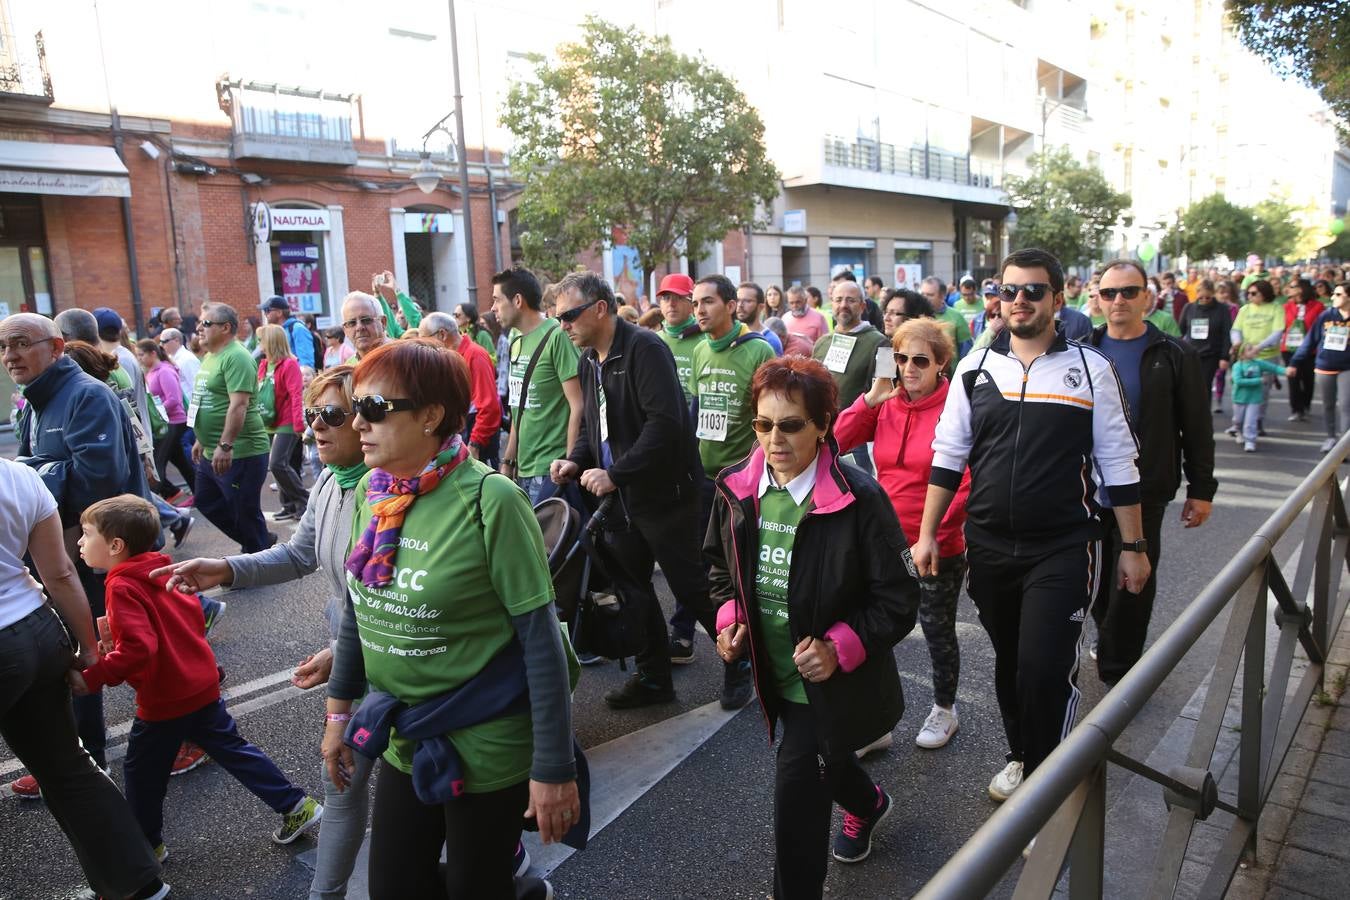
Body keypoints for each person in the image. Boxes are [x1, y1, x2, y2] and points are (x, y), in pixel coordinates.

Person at [323, 340, 574, 900]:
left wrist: (554, 769)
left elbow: (541, 643)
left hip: (487, 739)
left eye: (374, 409)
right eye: (355, 407)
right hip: (402, 734)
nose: (357, 423)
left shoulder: (492, 500)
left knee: (475, 889)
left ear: (432, 415)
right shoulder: (373, 489)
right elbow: (356, 609)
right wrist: (338, 717)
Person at [153, 363, 407, 898]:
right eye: (312, 413)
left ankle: (504, 853)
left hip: (399, 662)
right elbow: (299, 553)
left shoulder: (393, 495)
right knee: (340, 783)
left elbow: (405, 602)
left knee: (430, 785)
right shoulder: (330, 484)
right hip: (354, 659)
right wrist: (224, 568)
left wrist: (342, 650)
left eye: (332, 414)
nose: (316, 425)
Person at [915, 248, 1149, 803]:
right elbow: (949, 455)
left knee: (1045, 669)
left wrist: (1134, 546)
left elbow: (1118, 462)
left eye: (1033, 291)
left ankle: (1046, 791)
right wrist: (927, 534)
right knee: (1012, 663)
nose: (1018, 301)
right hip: (989, 546)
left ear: (1058, 299)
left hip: (1064, 546)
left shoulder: (1093, 369)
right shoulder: (975, 367)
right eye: (1008, 290)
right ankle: (1022, 756)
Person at [709, 356, 919, 898]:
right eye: (762, 425)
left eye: (790, 425)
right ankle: (869, 802)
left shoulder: (860, 497)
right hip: (770, 672)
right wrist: (731, 618)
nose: (773, 440)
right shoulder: (737, 486)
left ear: (824, 424)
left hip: (827, 685)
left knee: (796, 809)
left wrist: (837, 646)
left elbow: (899, 598)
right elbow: (718, 567)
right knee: (828, 759)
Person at [70, 495, 323, 862]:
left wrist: (94, 676)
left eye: (86, 533)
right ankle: (296, 804)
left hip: (164, 698)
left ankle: (148, 846)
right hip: (200, 683)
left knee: (141, 773)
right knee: (233, 748)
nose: (79, 541)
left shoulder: (121, 585)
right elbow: (190, 622)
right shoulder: (161, 569)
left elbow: (140, 649)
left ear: (115, 546)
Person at [550, 272, 726, 709]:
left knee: (691, 587)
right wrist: (576, 458)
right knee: (633, 590)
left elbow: (665, 425)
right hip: (622, 500)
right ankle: (653, 678)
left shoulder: (645, 348)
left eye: (569, 316)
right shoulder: (588, 358)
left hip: (665, 495)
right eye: (558, 319)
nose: (563, 326)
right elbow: (595, 425)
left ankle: (742, 663)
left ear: (600, 308)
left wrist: (616, 474)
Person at [0, 457, 170, 900]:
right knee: (67, 767)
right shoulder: (19, 476)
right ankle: (140, 884)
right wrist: (87, 650)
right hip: (38, 630)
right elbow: (58, 574)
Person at [3, 312, 149, 798]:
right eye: (4, 347)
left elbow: (99, 484)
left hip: (101, 552)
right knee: (86, 649)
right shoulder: (33, 402)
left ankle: (192, 727)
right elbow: (34, 473)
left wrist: (35, 475)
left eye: (22, 343)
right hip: (64, 548)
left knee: (118, 645)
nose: (11, 356)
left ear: (57, 347)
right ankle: (81, 756)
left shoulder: (87, 395)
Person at [834, 318, 970, 751]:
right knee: (869, 630)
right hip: (885, 543)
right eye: (900, 358)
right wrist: (870, 400)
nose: (908, 368)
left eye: (919, 361)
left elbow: (964, 483)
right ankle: (876, 725)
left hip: (936, 546)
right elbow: (831, 445)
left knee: (935, 629)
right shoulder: (888, 403)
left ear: (941, 364)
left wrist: (932, 535)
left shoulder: (957, 408)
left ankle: (945, 709)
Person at [1088, 260, 1217, 685]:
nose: (1118, 300)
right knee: (1093, 577)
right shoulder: (1082, 348)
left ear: (1148, 297)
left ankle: (1118, 670)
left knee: (1132, 578)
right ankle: (1108, 637)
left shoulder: (1174, 353)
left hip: (1146, 488)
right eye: (1109, 293)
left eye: (1128, 291)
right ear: (1098, 298)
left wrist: (1202, 489)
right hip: (1086, 487)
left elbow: (1197, 426)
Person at [680, 273, 775, 702]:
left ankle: (746, 666)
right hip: (706, 481)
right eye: (695, 302)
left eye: (708, 302)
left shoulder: (758, 350)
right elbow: (700, 413)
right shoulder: (699, 350)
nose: (699, 309)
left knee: (746, 573)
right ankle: (735, 653)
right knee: (714, 574)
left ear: (732, 306)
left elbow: (769, 419)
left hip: (746, 483)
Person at [188, 303, 275, 554]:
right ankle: (258, 540)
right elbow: (207, 399)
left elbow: (239, 405)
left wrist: (225, 445)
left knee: (243, 509)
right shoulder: (210, 356)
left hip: (240, 451)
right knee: (206, 501)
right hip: (211, 450)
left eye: (206, 324)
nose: (199, 329)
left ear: (225, 328)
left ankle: (256, 557)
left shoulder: (236, 356)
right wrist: (201, 439)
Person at [493, 266, 584, 504]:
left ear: (518, 300)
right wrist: (508, 461)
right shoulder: (515, 343)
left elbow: (579, 405)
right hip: (522, 470)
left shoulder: (557, 335)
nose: (493, 308)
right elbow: (517, 409)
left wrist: (570, 462)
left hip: (551, 471)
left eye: (497, 300)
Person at [420, 312, 503, 465]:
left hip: (476, 443)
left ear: (442, 334)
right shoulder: (450, 357)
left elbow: (489, 407)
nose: (424, 346)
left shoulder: (475, 355)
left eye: (424, 339)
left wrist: (475, 444)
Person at [810, 279, 887, 428]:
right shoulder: (821, 343)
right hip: (823, 429)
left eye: (850, 300)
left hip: (858, 434)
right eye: (838, 300)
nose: (843, 305)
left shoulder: (883, 344)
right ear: (832, 304)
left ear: (862, 306)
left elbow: (886, 392)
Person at [1288, 282, 1350, 453]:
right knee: (1328, 404)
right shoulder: (1326, 316)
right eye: (1334, 294)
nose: (1333, 298)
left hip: (1347, 367)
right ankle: (1331, 437)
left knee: (1346, 405)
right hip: (1326, 365)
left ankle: (1344, 448)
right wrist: (1295, 361)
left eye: (1338, 294)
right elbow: (1310, 340)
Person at [256, 324, 308, 521]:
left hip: (286, 420)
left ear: (271, 341)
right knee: (282, 465)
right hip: (269, 420)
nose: (259, 344)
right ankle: (288, 505)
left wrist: (298, 424)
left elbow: (296, 394)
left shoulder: (289, 364)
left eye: (261, 340)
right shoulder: (264, 364)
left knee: (277, 463)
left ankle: (304, 500)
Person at [136, 339, 194, 504]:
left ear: (153, 353)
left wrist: (156, 414)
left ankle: (152, 501)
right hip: (166, 422)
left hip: (173, 422)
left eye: (141, 354)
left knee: (157, 461)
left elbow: (174, 399)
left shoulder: (165, 371)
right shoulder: (152, 372)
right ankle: (192, 492)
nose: (139, 358)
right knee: (180, 461)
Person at [1231, 279, 1285, 434]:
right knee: (1240, 386)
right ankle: (1238, 422)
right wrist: (1237, 343)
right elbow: (1236, 329)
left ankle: (1257, 420)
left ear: (1264, 293)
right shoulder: (1245, 309)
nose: (1249, 296)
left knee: (1262, 389)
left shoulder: (1275, 308)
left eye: (1254, 293)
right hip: (1245, 356)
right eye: (1248, 293)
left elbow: (1277, 332)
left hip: (1266, 355)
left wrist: (1258, 347)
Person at [1178, 279, 1233, 416]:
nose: (1204, 300)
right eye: (1201, 297)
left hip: (1211, 353)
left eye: (1208, 297)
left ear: (1213, 294)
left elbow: (1227, 334)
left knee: (1204, 384)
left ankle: (1203, 414)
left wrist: (1224, 356)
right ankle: (1190, 412)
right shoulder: (1189, 308)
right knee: (1190, 384)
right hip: (1191, 353)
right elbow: (1180, 331)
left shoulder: (1222, 309)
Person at [654, 273, 704, 402]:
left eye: (679, 297)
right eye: (666, 297)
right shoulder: (652, 340)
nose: (672, 304)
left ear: (692, 304)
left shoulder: (707, 339)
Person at [1281, 278, 1325, 423]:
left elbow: (1319, 327)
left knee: (1308, 380)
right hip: (1289, 348)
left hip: (1309, 350)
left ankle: (1305, 406)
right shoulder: (1286, 307)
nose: (1290, 289)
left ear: (1301, 289)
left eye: (1293, 287)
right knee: (1293, 379)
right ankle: (1296, 409)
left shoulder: (1318, 307)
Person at [1229, 346, 1287, 452]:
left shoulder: (1258, 363)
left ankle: (1250, 441)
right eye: (1250, 349)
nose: (1254, 350)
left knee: (1250, 421)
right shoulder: (1238, 366)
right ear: (1242, 354)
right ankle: (1239, 431)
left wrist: (1286, 371)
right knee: (1238, 420)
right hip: (1240, 398)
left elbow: (1273, 368)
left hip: (1254, 398)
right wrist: (1258, 380)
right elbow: (1238, 381)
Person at [918, 277, 973, 359]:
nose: (925, 298)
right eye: (923, 294)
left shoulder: (956, 317)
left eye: (930, 295)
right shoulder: (914, 316)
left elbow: (966, 353)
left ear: (942, 296)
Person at [261, 296, 317, 371]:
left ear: (279, 313)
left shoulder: (297, 328)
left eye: (267, 310)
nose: (265, 314)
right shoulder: (276, 331)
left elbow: (306, 363)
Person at [370, 271, 423, 339]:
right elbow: (388, 319)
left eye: (405, 313)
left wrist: (396, 288)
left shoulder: (418, 336)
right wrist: (377, 293)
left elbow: (414, 317)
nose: (401, 316)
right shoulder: (396, 335)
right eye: (400, 312)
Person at [735, 281, 784, 355]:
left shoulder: (770, 341)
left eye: (747, 301)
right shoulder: (729, 335)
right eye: (737, 300)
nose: (740, 305)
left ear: (761, 307)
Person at [340, 292, 390, 359]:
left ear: (383, 322)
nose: (359, 327)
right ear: (345, 330)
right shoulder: (350, 366)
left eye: (366, 320)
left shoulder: (404, 357)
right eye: (352, 323)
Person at [159, 327, 200, 400]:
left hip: (189, 406)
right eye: (160, 341)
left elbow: (197, 387)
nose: (161, 345)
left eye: (164, 341)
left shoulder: (188, 359)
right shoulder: (170, 357)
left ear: (176, 340)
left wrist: (193, 410)